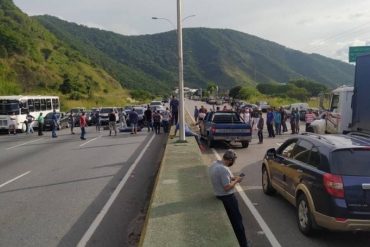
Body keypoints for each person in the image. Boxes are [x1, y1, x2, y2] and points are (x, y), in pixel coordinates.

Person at [209, 150, 249, 247]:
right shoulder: (223, 169)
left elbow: (225, 178)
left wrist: (234, 178)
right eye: (233, 161)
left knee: (232, 221)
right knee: (237, 222)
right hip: (227, 198)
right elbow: (227, 187)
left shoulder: (214, 164)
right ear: (230, 160)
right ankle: (243, 244)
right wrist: (237, 181)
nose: (233, 163)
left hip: (219, 194)